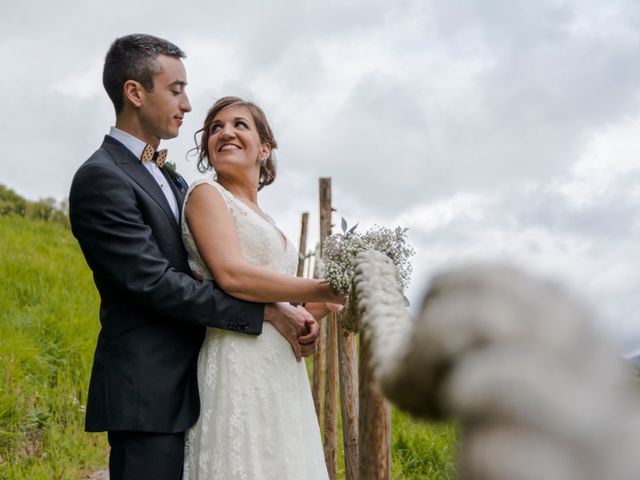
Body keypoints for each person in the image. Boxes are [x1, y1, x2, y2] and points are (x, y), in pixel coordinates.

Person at [68, 34, 322, 480]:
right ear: (135, 92)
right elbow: (154, 283)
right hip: (149, 394)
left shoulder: (174, 180)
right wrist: (263, 311)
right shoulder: (100, 178)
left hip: (205, 381)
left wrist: (298, 313)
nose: (187, 105)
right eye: (176, 89)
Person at [181, 96, 343, 479]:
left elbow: (281, 304)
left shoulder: (268, 220)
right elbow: (232, 275)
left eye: (239, 124)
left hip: (281, 372)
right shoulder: (206, 195)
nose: (225, 132)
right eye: (215, 128)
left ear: (265, 148)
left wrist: (309, 320)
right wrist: (323, 287)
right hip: (236, 359)